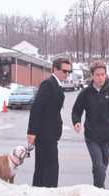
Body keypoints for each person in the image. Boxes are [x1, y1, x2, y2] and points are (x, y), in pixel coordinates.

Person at [72, 60, 109, 188]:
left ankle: (97, 189)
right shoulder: (86, 93)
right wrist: (77, 122)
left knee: (102, 166)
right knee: (98, 165)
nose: (100, 77)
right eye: (97, 75)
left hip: (107, 136)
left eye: (103, 74)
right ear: (92, 76)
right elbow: (76, 110)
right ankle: (100, 191)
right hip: (92, 136)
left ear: (106, 74)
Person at [27, 58, 72, 187]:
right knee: (50, 168)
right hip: (44, 134)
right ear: (55, 69)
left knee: (44, 168)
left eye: (69, 72)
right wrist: (31, 132)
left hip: (51, 134)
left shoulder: (57, 84)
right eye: (64, 71)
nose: (67, 74)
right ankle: (48, 193)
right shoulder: (48, 84)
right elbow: (37, 108)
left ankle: (39, 192)